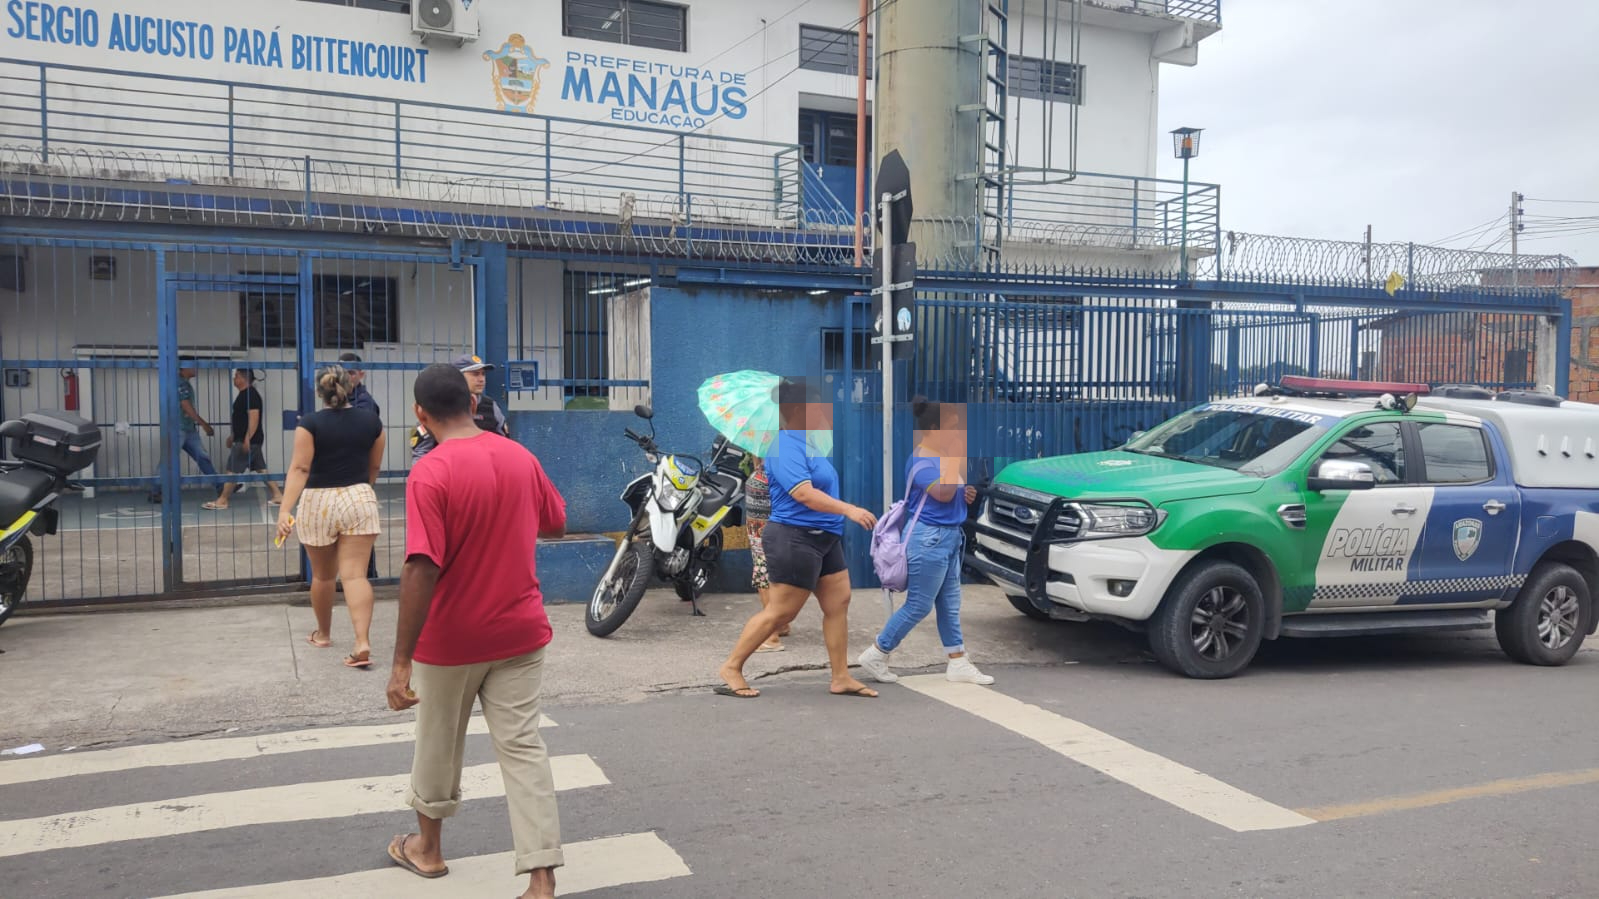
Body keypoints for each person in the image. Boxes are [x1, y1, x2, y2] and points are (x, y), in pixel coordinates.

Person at [384, 363, 567, 899]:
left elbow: (421, 566)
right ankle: (540, 876)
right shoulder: (519, 456)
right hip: (519, 631)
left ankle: (428, 851)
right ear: (471, 402)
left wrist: (400, 661)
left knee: (438, 744)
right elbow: (554, 521)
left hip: (451, 641)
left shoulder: (431, 471)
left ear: (420, 414)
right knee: (523, 747)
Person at [717, 378, 879, 699]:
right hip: (794, 537)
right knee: (781, 613)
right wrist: (849, 509)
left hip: (825, 538)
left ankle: (841, 677)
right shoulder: (783, 446)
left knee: (838, 602)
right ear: (795, 410)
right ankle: (732, 667)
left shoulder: (809, 443)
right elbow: (803, 494)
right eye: (815, 405)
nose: (822, 410)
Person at [858, 398, 995, 686]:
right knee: (919, 605)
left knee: (949, 603)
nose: (958, 433)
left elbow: (952, 494)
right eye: (953, 428)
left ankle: (957, 661)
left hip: (948, 537)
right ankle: (877, 652)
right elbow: (942, 493)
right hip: (929, 539)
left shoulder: (941, 457)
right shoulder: (921, 460)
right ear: (933, 429)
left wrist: (965, 493)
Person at [275, 365, 386, 669]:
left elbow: (300, 469)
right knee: (355, 575)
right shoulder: (372, 421)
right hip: (359, 497)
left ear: (320, 392)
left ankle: (323, 634)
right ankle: (362, 642)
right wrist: (360, 492)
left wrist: (285, 509)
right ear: (350, 387)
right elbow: (374, 467)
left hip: (318, 501)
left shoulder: (309, 423)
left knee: (323, 576)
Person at [205, 369, 285, 510]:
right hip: (247, 439)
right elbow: (241, 420)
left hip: (248, 441)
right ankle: (278, 495)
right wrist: (234, 436)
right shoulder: (244, 395)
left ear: (243, 378)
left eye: (236, 376)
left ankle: (223, 500)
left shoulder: (250, 395)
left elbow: (254, 417)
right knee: (261, 469)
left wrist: (247, 439)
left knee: (232, 470)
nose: (234, 379)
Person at [411, 353, 508, 459]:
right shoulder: (439, 405)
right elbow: (421, 453)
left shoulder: (491, 406)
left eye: (483, 374)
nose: (481, 379)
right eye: (475, 374)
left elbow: (505, 444)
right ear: (457, 377)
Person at [340, 352, 382, 581]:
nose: (347, 377)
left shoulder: (365, 404)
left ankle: (367, 575)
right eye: (344, 372)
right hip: (344, 472)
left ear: (361, 374)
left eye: (352, 373)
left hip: (358, 473)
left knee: (360, 529)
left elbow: (363, 437)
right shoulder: (341, 400)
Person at [743, 456, 788, 652]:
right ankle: (780, 623)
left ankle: (771, 635)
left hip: (766, 520)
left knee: (764, 572)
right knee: (773, 569)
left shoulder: (779, 450)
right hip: (761, 519)